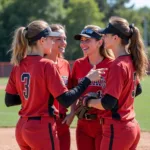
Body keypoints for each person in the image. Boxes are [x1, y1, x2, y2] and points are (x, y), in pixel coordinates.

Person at [4, 20, 106, 150]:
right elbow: (65, 99)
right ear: (42, 40)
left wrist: (37, 94)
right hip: (42, 126)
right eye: (51, 39)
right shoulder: (47, 64)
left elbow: (10, 100)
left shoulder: (19, 64)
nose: (52, 42)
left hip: (23, 126)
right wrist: (88, 79)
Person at [81, 16, 148, 150]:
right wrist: (122, 101)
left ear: (115, 38)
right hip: (130, 125)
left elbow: (107, 103)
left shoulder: (118, 65)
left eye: (106, 35)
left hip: (117, 129)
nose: (103, 37)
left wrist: (87, 101)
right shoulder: (130, 60)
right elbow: (138, 90)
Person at [70, 25, 114, 150]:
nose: (83, 43)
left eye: (87, 40)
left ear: (100, 42)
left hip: (103, 124)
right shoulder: (79, 64)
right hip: (83, 124)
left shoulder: (112, 64)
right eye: (82, 40)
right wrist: (72, 112)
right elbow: (74, 91)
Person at [44, 24, 73, 150]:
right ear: (49, 40)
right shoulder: (40, 64)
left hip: (63, 122)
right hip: (45, 122)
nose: (64, 43)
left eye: (65, 39)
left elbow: (71, 91)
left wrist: (72, 112)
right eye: (59, 39)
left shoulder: (65, 64)